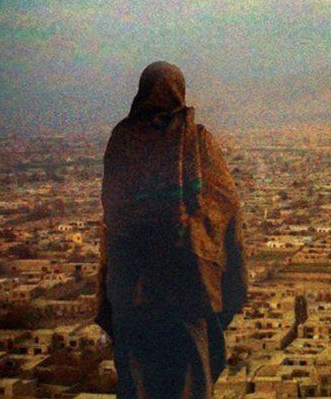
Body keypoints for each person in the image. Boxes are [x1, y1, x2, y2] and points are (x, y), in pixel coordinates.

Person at [95, 61, 247, 398]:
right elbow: (226, 207)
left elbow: (113, 211)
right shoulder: (195, 139)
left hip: (132, 288)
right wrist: (230, 279)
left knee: (139, 381)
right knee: (189, 380)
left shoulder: (123, 140)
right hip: (186, 284)